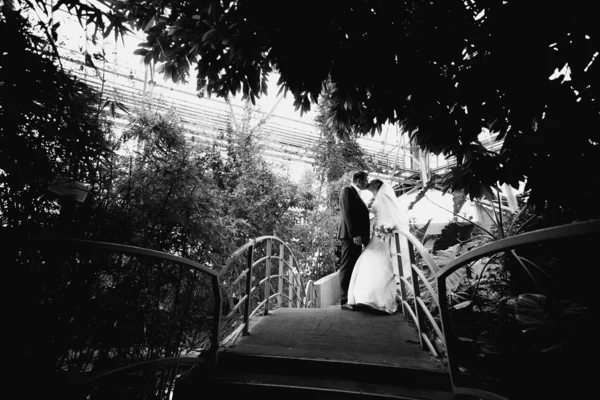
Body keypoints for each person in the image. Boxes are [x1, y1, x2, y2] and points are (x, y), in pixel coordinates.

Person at [347, 179, 401, 314]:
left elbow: (391, 214)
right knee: (372, 259)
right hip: (377, 232)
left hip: (381, 232)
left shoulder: (383, 195)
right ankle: (368, 297)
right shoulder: (378, 196)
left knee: (374, 258)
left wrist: (387, 228)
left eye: (369, 183)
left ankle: (374, 298)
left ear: (376, 185)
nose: (367, 185)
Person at [337, 171, 370, 310]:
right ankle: (344, 301)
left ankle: (351, 298)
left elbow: (357, 213)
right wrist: (355, 234)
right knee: (347, 266)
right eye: (365, 180)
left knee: (353, 267)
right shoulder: (347, 191)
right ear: (358, 180)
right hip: (351, 237)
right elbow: (348, 213)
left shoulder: (356, 194)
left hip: (356, 238)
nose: (366, 183)